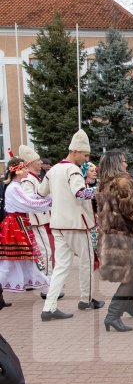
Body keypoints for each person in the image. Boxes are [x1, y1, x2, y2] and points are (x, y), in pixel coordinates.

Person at [39, 130, 105, 321]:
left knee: (61, 267)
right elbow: (80, 194)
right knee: (87, 261)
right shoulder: (73, 170)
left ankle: (48, 308)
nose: (86, 159)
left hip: (58, 223)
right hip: (76, 224)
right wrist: (99, 190)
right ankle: (86, 299)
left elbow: (42, 193)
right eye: (84, 155)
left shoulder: (53, 170)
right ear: (74, 151)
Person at [96, 150, 133, 332]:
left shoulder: (105, 183)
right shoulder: (122, 182)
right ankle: (113, 315)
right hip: (126, 236)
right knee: (130, 276)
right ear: (115, 164)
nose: (126, 164)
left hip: (114, 235)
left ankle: (128, 304)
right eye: (123, 161)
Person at [0, 157, 53, 307]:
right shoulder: (14, 187)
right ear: (17, 171)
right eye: (23, 168)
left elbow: (28, 198)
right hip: (15, 225)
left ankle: (47, 287)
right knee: (11, 259)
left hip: (18, 223)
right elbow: (27, 203)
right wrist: (49, 201)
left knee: (22, 258)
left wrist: (42, 197)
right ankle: (48, 288)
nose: (26, 171)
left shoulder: (15, 185)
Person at [18, 145, 59, 300]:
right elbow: (29, 199)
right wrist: (45, 198)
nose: (41, 162)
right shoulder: (28, 179)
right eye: (37, 161)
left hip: (41, 218)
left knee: (46, 251)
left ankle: (47, 284)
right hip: (36, 220)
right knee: (45, 252)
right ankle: (46, 287)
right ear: (29, 163)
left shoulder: (36, 177)